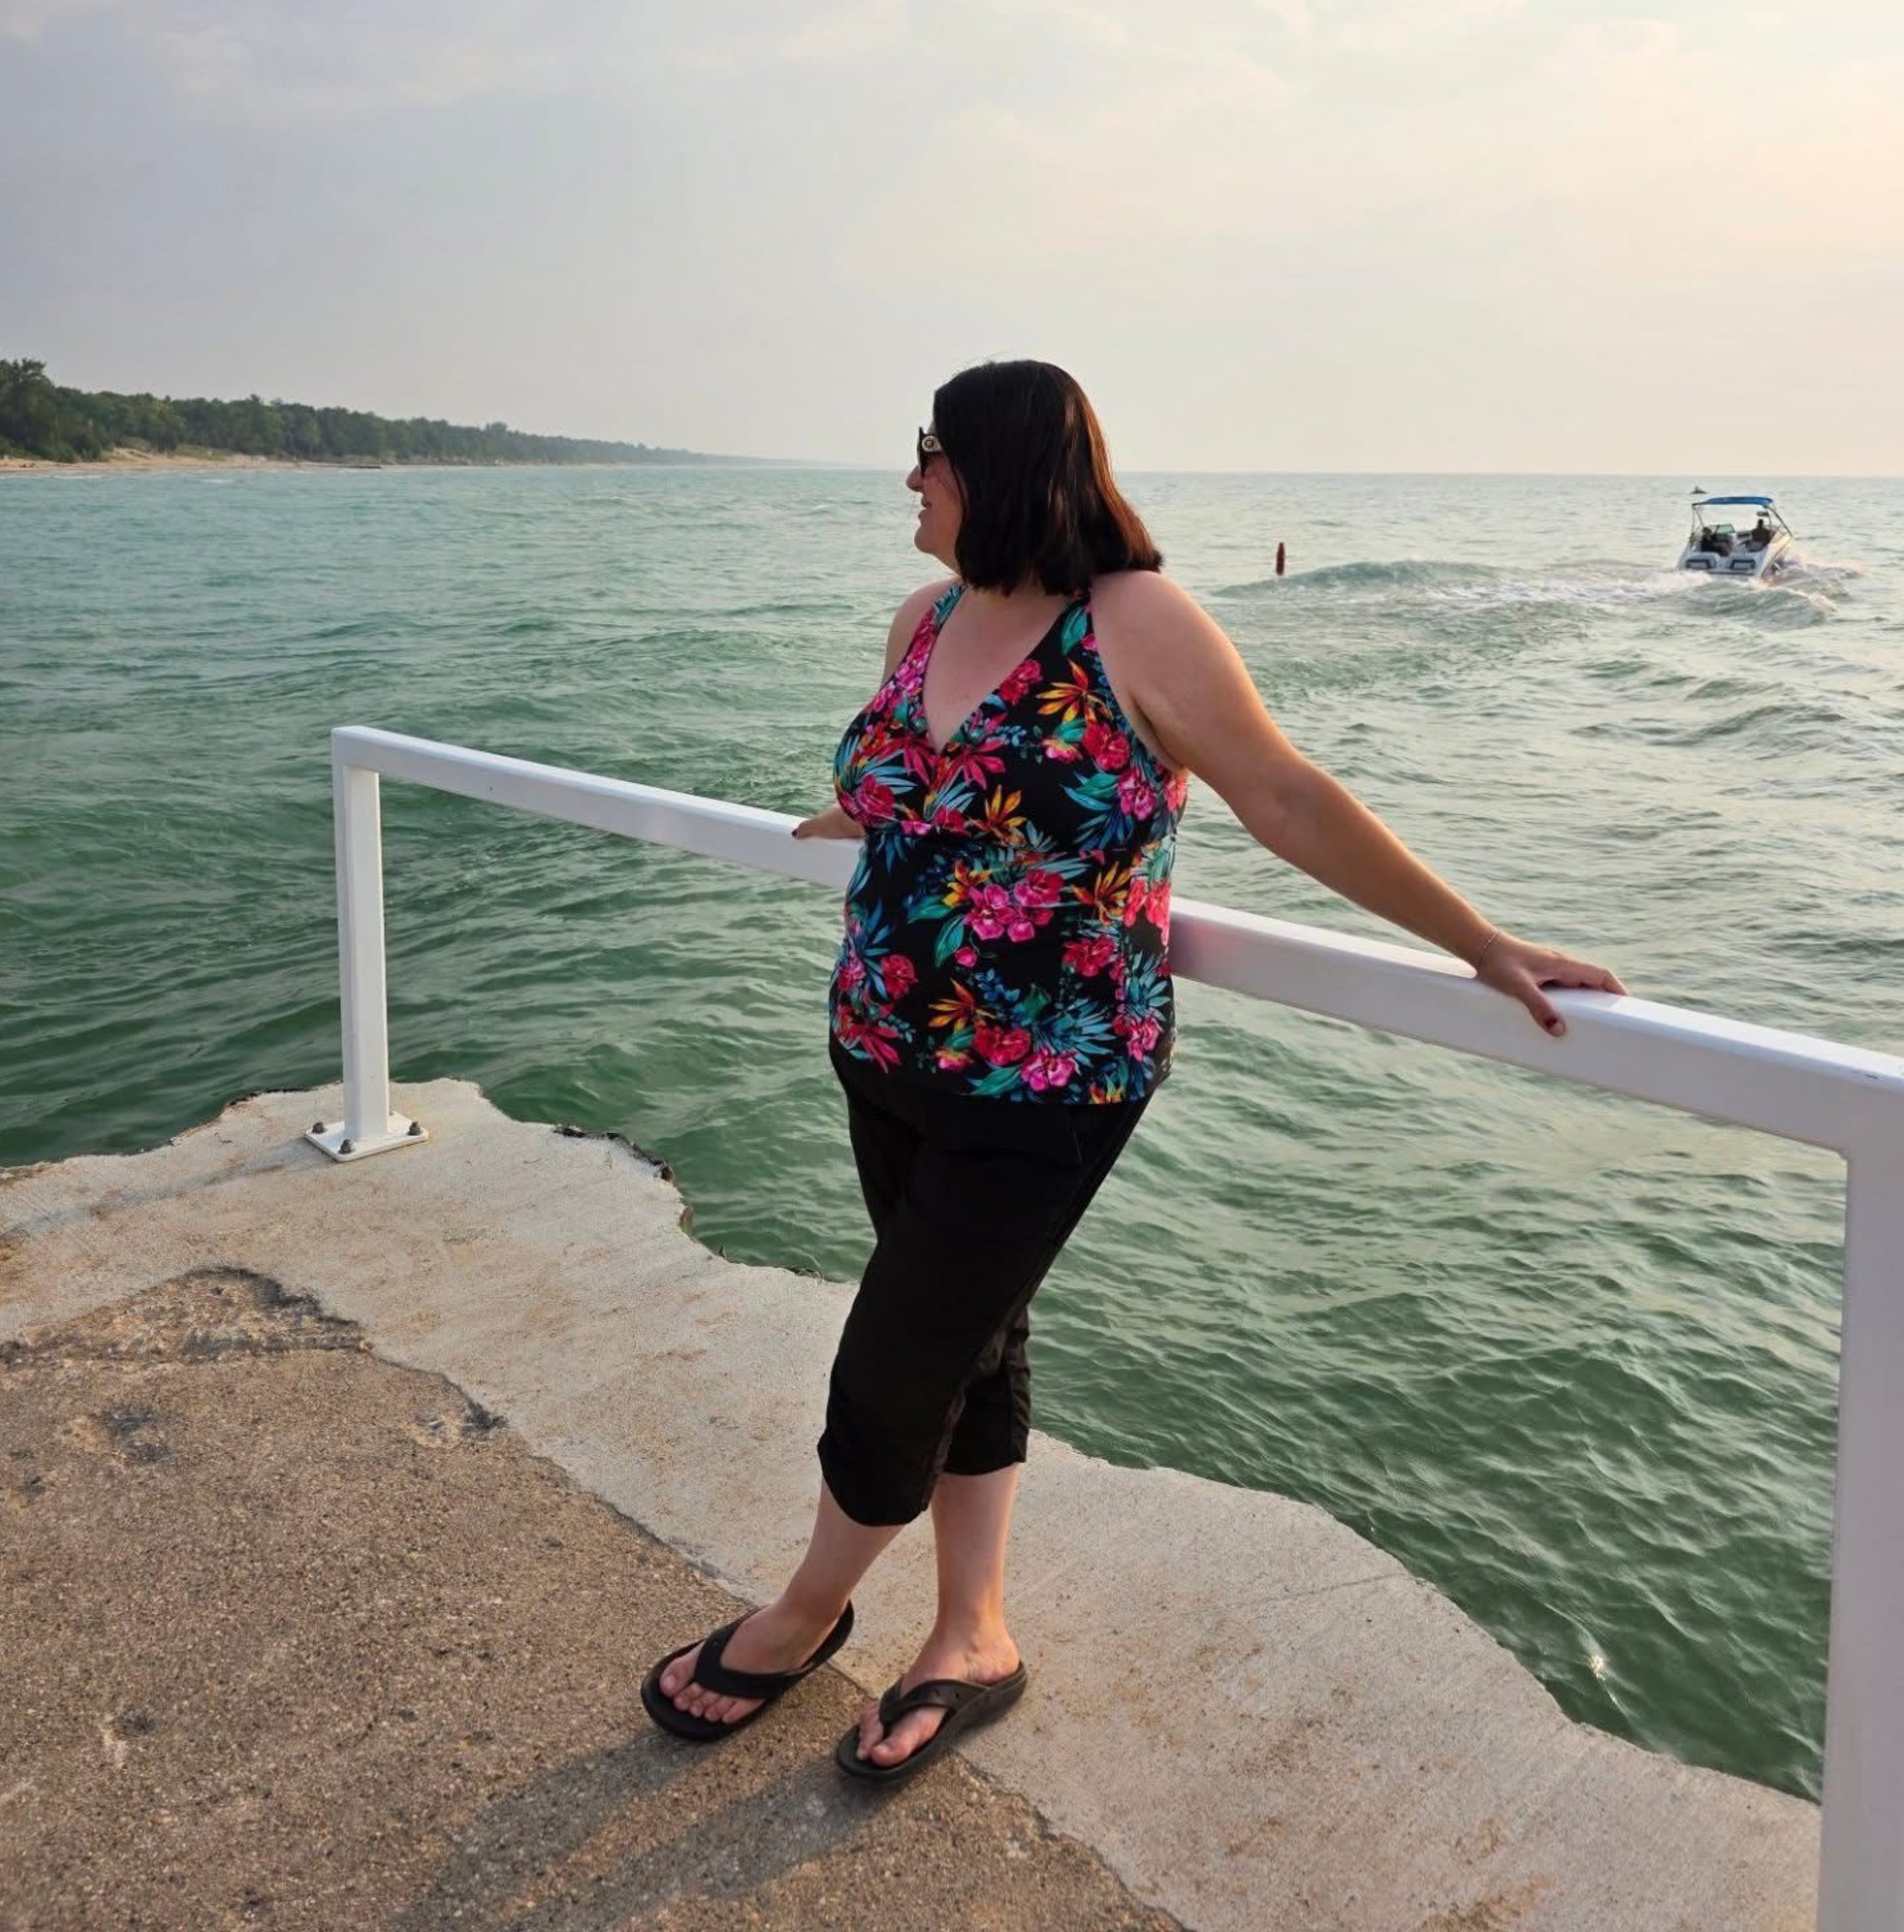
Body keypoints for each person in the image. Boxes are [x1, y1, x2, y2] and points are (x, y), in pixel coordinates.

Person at [641, 358, 1624, 1786]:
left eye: (931, 452)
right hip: (881, 1044)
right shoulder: (924, 618)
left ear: (1004, 465)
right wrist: (855, 814)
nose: (909, 477)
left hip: (1051, 1079)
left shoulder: (1135, 622)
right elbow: (925, 784)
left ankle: (799, 1615)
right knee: (979, 1343)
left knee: (889, 1372)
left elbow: (1284, 794)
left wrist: (1479, 941)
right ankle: (972, 1636)